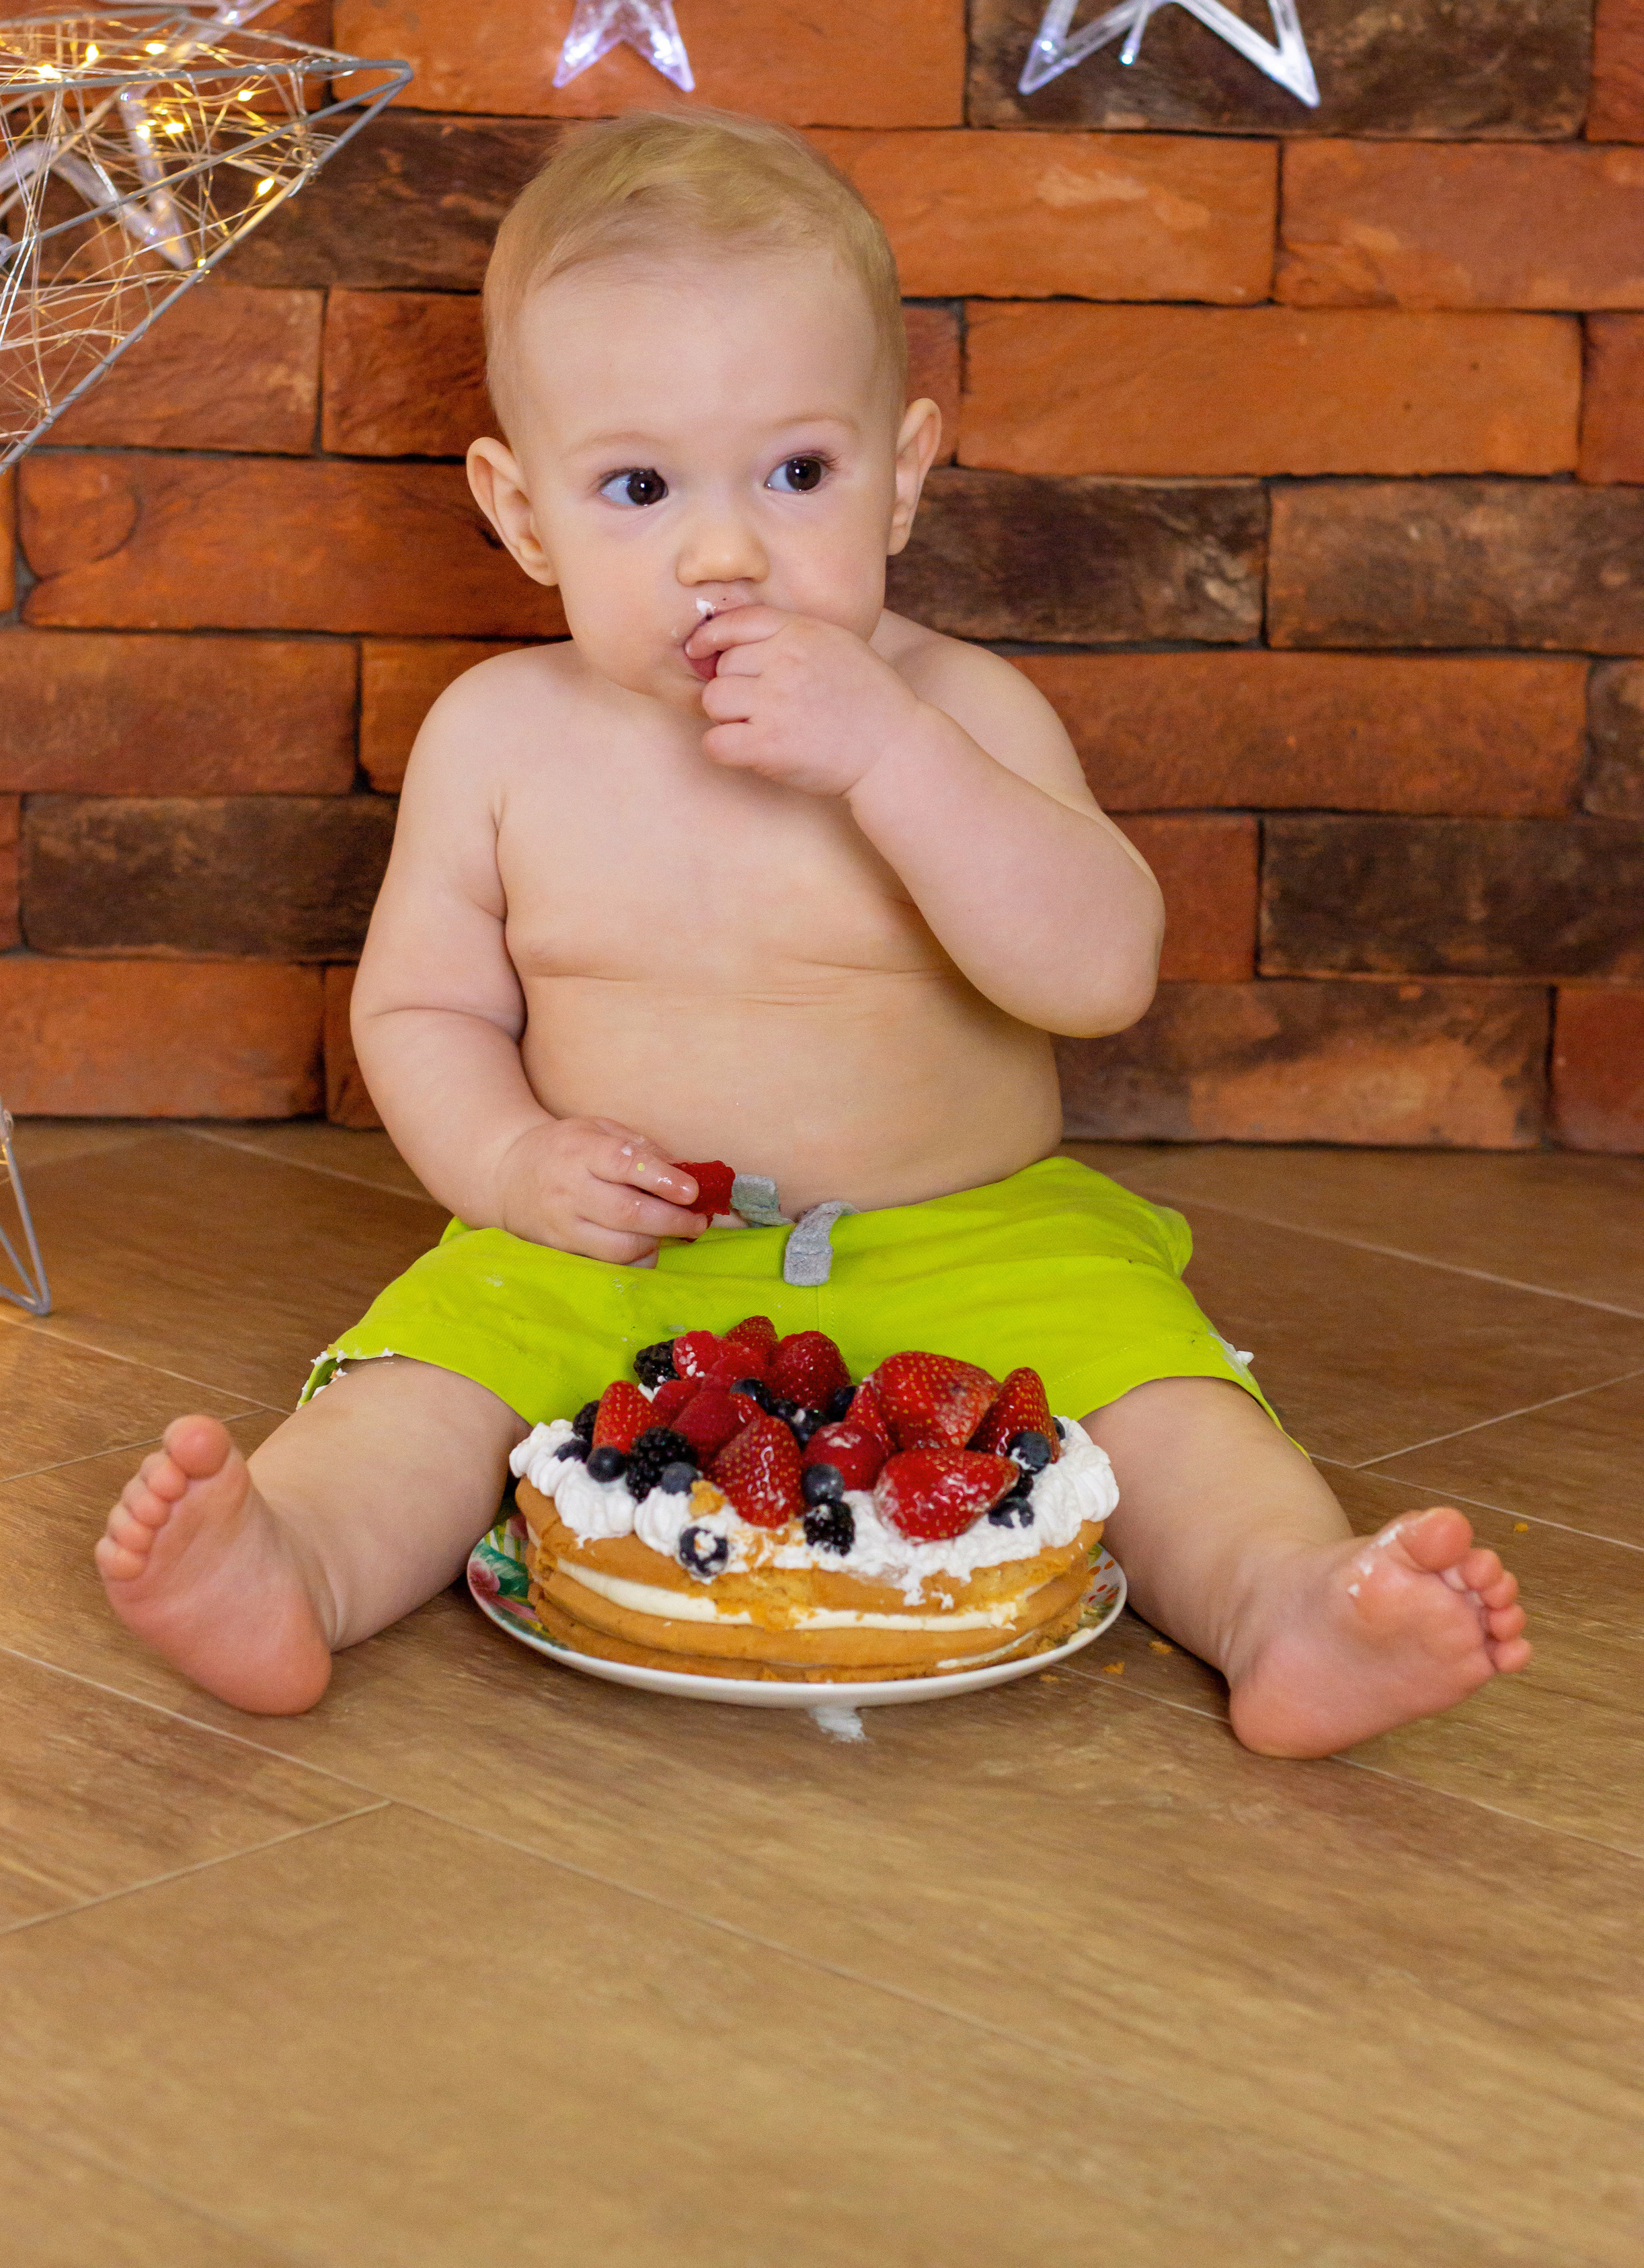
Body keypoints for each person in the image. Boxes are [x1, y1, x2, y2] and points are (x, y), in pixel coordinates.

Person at [93, 109, 1530, 1750]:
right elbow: (420, 1012)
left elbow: (1094, 972)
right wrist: (507, 1169)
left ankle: (1284, 1604)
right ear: (521, 513)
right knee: (432, 1377)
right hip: (625, 1248)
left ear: (901, 474)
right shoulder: (498, 738)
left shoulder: (960, 708)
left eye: (796, 474)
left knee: (1169, 1407)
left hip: (977, 1232)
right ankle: (297, 1564)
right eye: (636, 487)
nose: (724, 553)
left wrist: (891, 757)